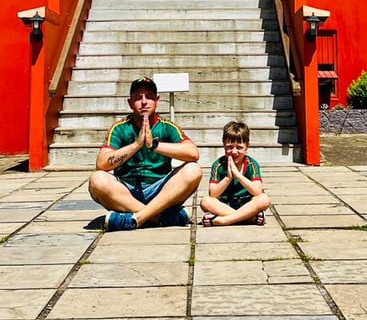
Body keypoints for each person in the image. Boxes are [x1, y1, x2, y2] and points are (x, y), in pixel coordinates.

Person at [88, 77, 202, 231]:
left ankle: (135, 219)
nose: (144, 102)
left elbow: (193, 153)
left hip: (160, 192)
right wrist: (136, 145)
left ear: (157, 101)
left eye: (149, 97)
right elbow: (102, 163)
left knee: (193, 170)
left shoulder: (167, 127)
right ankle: (159, 218)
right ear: (130, 103)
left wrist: (154, 145)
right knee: (97, 179)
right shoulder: (120, 128)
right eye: (138, 98)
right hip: (126, 192)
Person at [200, 120, 270, 226]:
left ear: (247, 147)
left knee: (264, 199)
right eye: (229, 147)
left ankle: (225, 220)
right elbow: (213, 194)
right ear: (223, 145)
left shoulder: (252, 164)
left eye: (239, 148)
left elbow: (257, 191)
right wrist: (228, 178)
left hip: (246, 203)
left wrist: (238, 176)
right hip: (225, 203)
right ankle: (249, 219)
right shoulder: (218, 164)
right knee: (205, 201)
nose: (234, 152)